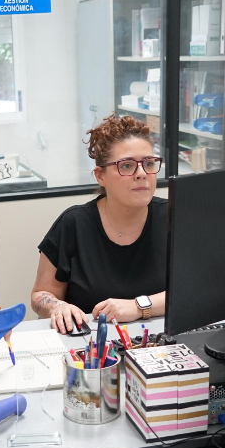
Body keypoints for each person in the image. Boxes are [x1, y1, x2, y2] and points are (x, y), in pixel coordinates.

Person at [31, 115, 168, 334]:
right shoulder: (74, 223)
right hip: (91, 349)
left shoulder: (173, 218)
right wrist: (58, 307)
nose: (142, 174)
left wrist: (138, 306)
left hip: (159, 344)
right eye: (127, 165)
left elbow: (194, 290)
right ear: (100, 176)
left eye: (149, 163)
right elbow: (40, 295)